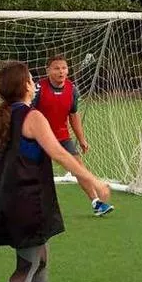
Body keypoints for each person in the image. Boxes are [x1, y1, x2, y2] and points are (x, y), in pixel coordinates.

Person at [0, 61, 111, 282]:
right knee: (27, 264)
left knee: (40, 258)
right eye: (30, 79)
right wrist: (95, 182)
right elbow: (61, 155)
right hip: (28, 201)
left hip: (7, 199)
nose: (35, 83)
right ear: (24, 85)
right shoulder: (33, 116)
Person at [32, 54, 114, 216]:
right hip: (39, 139)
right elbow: (27, 113)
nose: (61, 71)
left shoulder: (72, 89)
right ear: (47, 70)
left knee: (79, 169)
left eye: (64, 68)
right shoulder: (38, 89)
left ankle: (96, 203)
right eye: (56, 68)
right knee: (32, 173)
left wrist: (82, 139)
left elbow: (73, 115)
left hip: (62, 138)